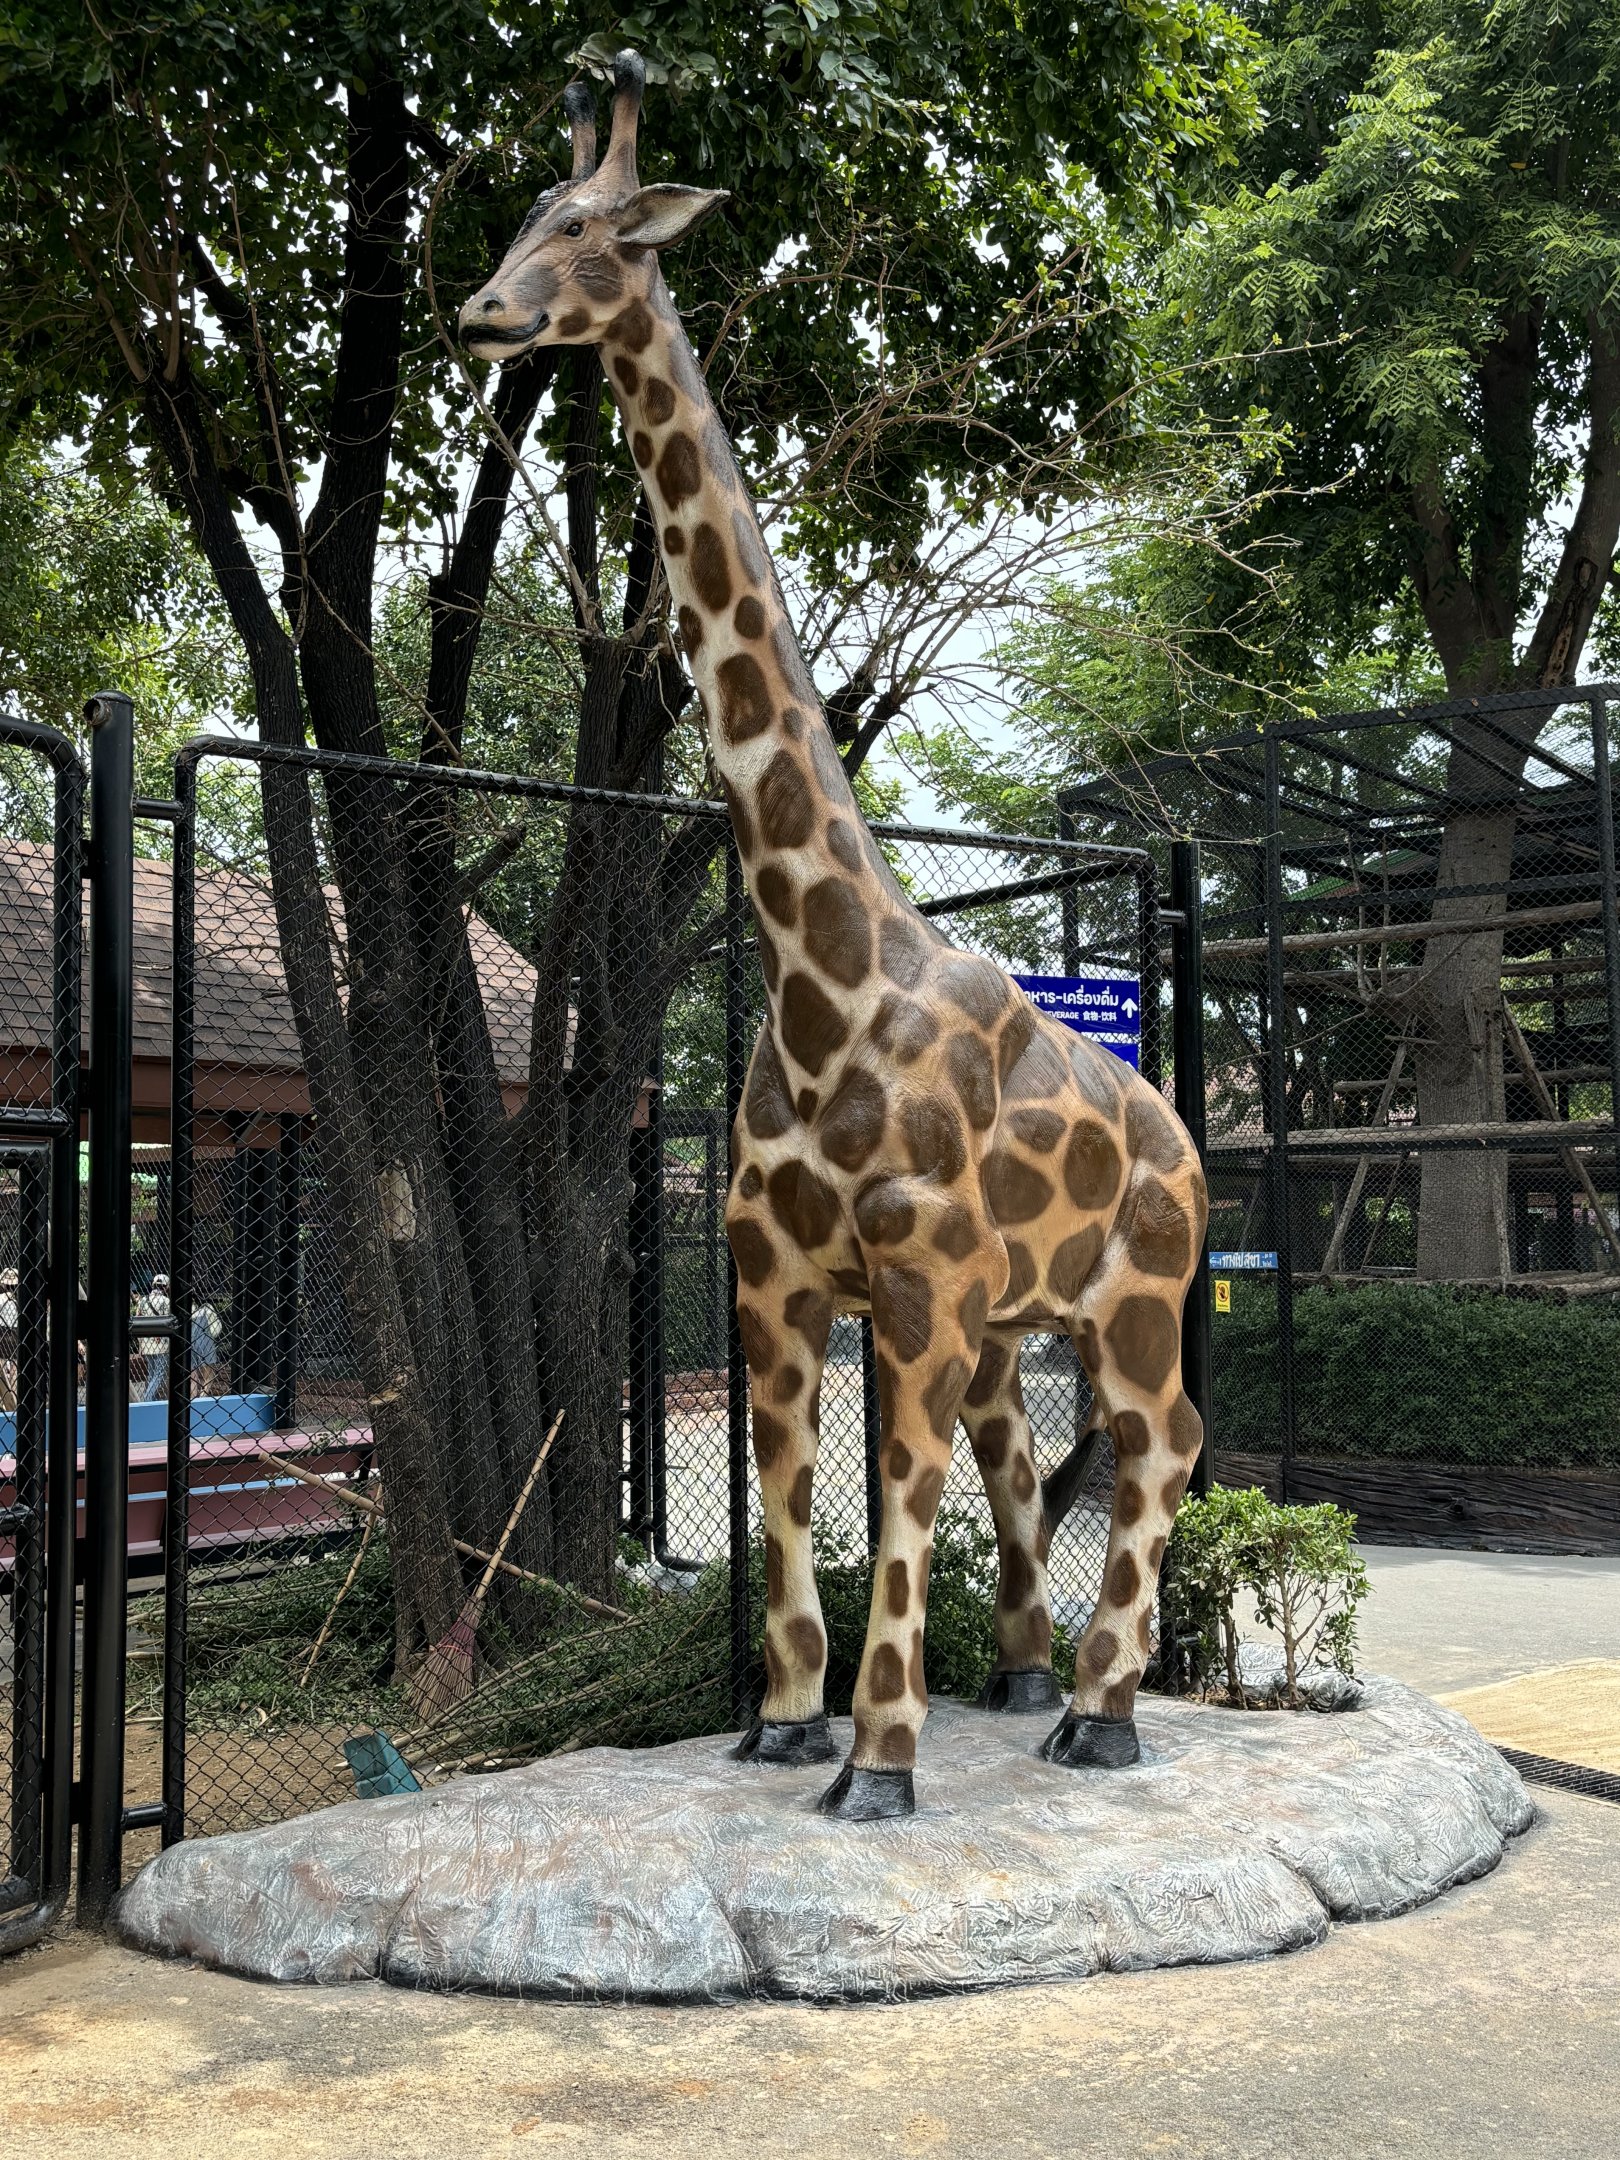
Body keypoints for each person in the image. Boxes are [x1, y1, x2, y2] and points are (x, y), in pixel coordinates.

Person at [136, 1273, 171, 1400]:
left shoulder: (143, 1300)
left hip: (146, 1341)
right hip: (161, 1342)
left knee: (152, 1373)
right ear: (166, 1287)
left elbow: (138, 1320)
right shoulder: (166, 1301)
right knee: (160, 1373)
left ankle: (151, 1399)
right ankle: (147, 1399)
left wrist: (140, 1344)